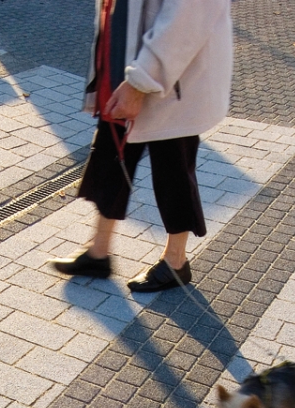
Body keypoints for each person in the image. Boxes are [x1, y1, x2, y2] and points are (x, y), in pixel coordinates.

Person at [49, 0, 233, 293]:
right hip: (127, 65)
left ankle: (176, 262)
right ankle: (98, 251)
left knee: (173, 166)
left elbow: (185, 22)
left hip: (170, 80)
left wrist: (140, 82)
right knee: (109, 155)